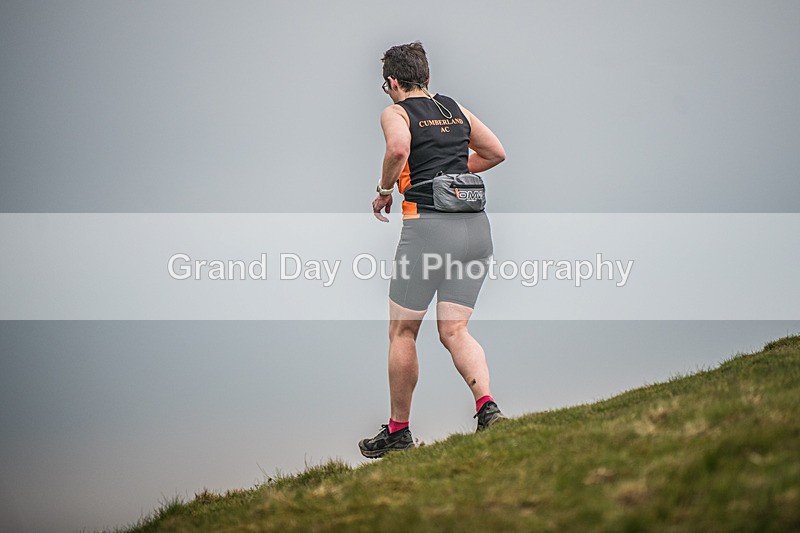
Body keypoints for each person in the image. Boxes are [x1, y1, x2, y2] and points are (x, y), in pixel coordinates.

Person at [359, 42, 508, 459]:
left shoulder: (396, 112)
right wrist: (454, 171)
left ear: (392, 82)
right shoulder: (453, 108)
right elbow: (496, 152)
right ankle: (487, 408)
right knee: (456, 330)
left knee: (403, 331)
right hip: (476, 231)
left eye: (385, 86)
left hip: (428, 229)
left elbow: (398, 150)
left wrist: (384, 190)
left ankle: (399, 431)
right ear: (426, 77)